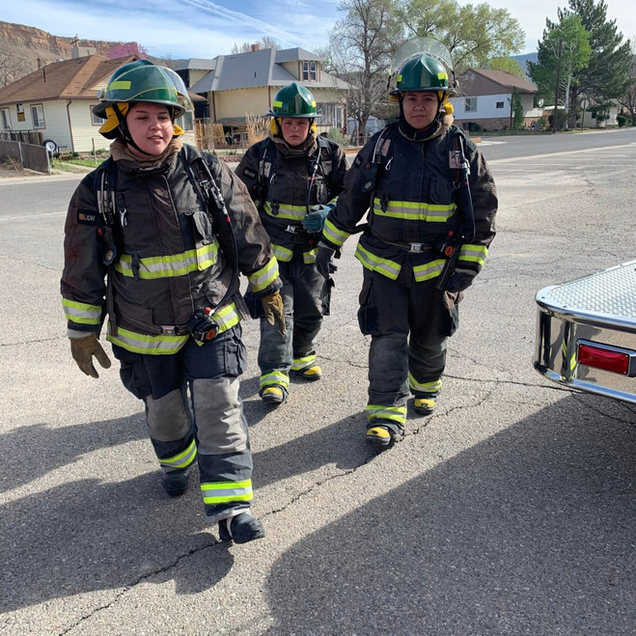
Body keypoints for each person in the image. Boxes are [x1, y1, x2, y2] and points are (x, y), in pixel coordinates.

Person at [61, 60, 285, 544]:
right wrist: (82, 332)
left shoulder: (206, 171)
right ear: (119, 122)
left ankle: (233, 507)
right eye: (142, 117)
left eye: (163, 116)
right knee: (164, 413)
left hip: (212, 316)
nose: (155, 127)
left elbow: (247, 231)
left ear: (177, 119)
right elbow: (82, 268)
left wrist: (267, 286)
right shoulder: (97, 190)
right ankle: (176, 463)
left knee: (220, 405)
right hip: (144, 331)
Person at [315, 50, 497, 447]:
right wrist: (326, 246)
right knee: (388, 338)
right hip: (384, 266)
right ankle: (384, 413)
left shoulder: (461, 152)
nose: (419, 106)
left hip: (437, 271)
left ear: (441, 101)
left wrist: (465, 269)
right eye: (411, 99)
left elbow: (482, 215)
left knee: (431, 339)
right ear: (399, 101)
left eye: (427, 98)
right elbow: (351, 201)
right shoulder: (381, 145)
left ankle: (425, 386)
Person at [236, 82, 347, 407]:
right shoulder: (260, 155)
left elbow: (352, 196)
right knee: (277, 311)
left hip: (315, 254)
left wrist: (330, 212)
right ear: (277, 124)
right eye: (288, 122)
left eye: (301, 122)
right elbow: (240, 200)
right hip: (273, 253)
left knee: (312, 311)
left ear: (311, 124)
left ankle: (302, 353)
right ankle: (274, 373)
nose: (295, 128)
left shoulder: (330, 155)